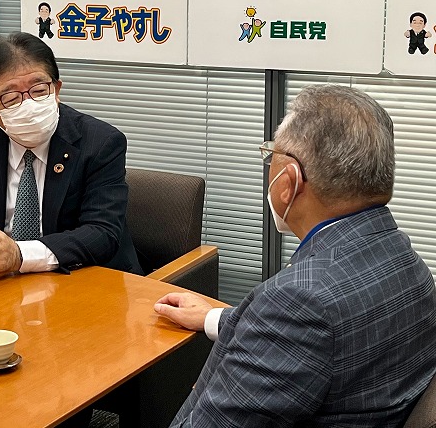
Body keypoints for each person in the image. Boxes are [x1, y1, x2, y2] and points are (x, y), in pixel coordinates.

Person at [155, 85, 436, 427]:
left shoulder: (297, 302)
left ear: (289, 180)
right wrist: (215, 317)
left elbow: (301, 324)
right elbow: (320, 337)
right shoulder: (403, 258)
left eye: (270, 153)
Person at [0, 32, 143, 278]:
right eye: (11, 98)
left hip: (87, 279)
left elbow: (102, 233)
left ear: (57, 90)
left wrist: (21, 255)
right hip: (3, 284)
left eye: (40, 90)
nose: (29, 105)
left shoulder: (101, 142)